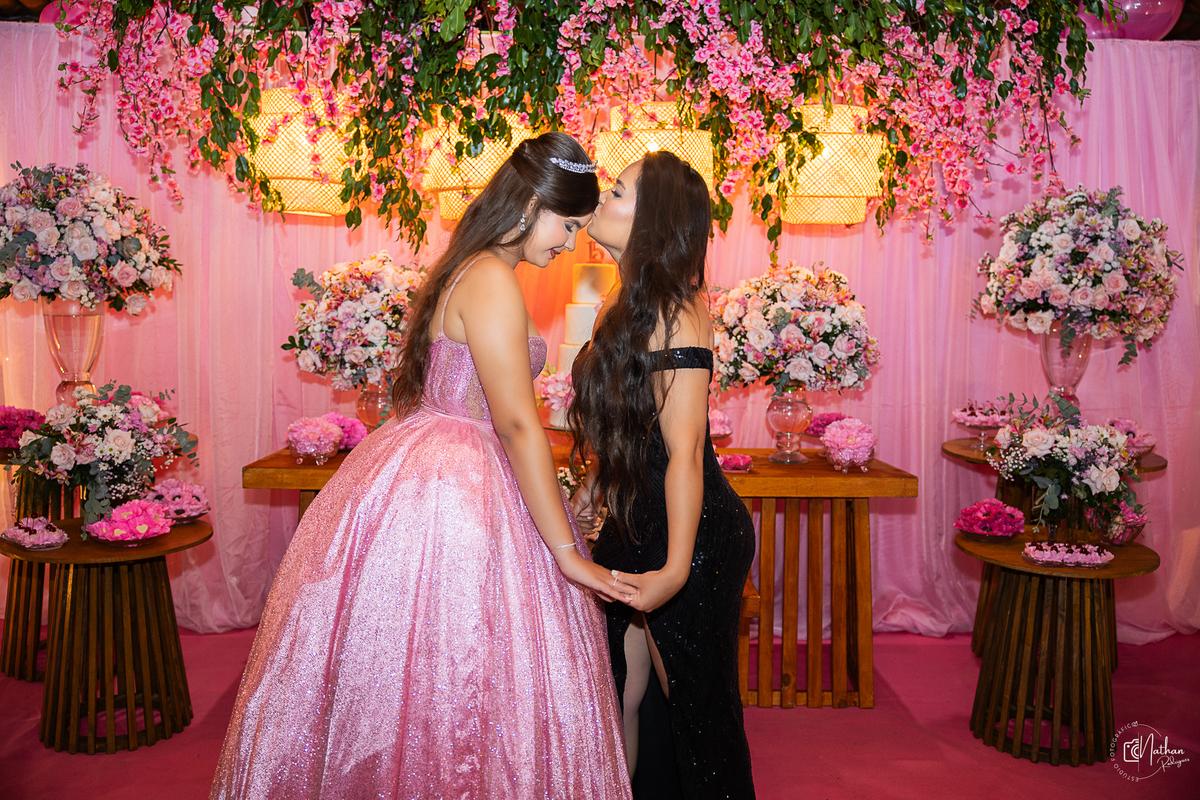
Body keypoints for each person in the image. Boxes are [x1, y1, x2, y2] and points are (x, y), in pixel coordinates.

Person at [211, 132, 636, 800]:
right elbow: (516, 422)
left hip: (431, 468)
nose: (571, 242)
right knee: (457, 666)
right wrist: (566, 556)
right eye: (570, 224)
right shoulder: (491, 278)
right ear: (533, 204)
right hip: (457, 489)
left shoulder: (472, 266)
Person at [568, 150, 757, 799]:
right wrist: (597, 484)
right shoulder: (622, 302)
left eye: (619, 191)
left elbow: (684, 448)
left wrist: (675, 571)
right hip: (633, 524)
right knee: (616, 691)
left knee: (699, 716)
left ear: (654, 218)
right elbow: (632, 427)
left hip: (691, 534)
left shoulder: (679, 308)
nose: (602, 197)